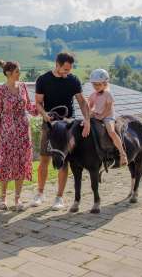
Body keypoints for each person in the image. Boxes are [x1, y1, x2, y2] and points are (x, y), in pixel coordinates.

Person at [31, 52, 91, 210]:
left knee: (63, 162)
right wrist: (45, 115)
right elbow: (38, 103)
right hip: (49, 124)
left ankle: (59, 197)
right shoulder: (43, 80)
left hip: (67, 125)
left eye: (69, 69)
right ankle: (40, 193)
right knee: (44, 159)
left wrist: (87, 120)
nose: (67, 72)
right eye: (65, 69)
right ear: (56, 65)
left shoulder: (73, 80)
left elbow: (82, 101)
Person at [0, 60, 38, 211]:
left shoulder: (22, 87)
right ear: (9, 73)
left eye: (19, 71)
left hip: (23, 130)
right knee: (5, 163)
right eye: (17, 71)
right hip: (6, 131)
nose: (19, 74)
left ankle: (18, 199)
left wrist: (40, 109)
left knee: (22, 163)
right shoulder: (0, 90)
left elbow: (29, 106)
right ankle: (2, 199)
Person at [88, 68, 128, 167]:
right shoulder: (93, 95)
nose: (96, 87)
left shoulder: (108, 94)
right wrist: (89, 114)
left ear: (105, 83)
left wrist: (101, 116)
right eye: (94, 84)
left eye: (99, 84)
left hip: (108, 117)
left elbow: (109, 108)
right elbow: (90, 106)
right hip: (97, 115)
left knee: (111, 131)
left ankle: (122, 153)